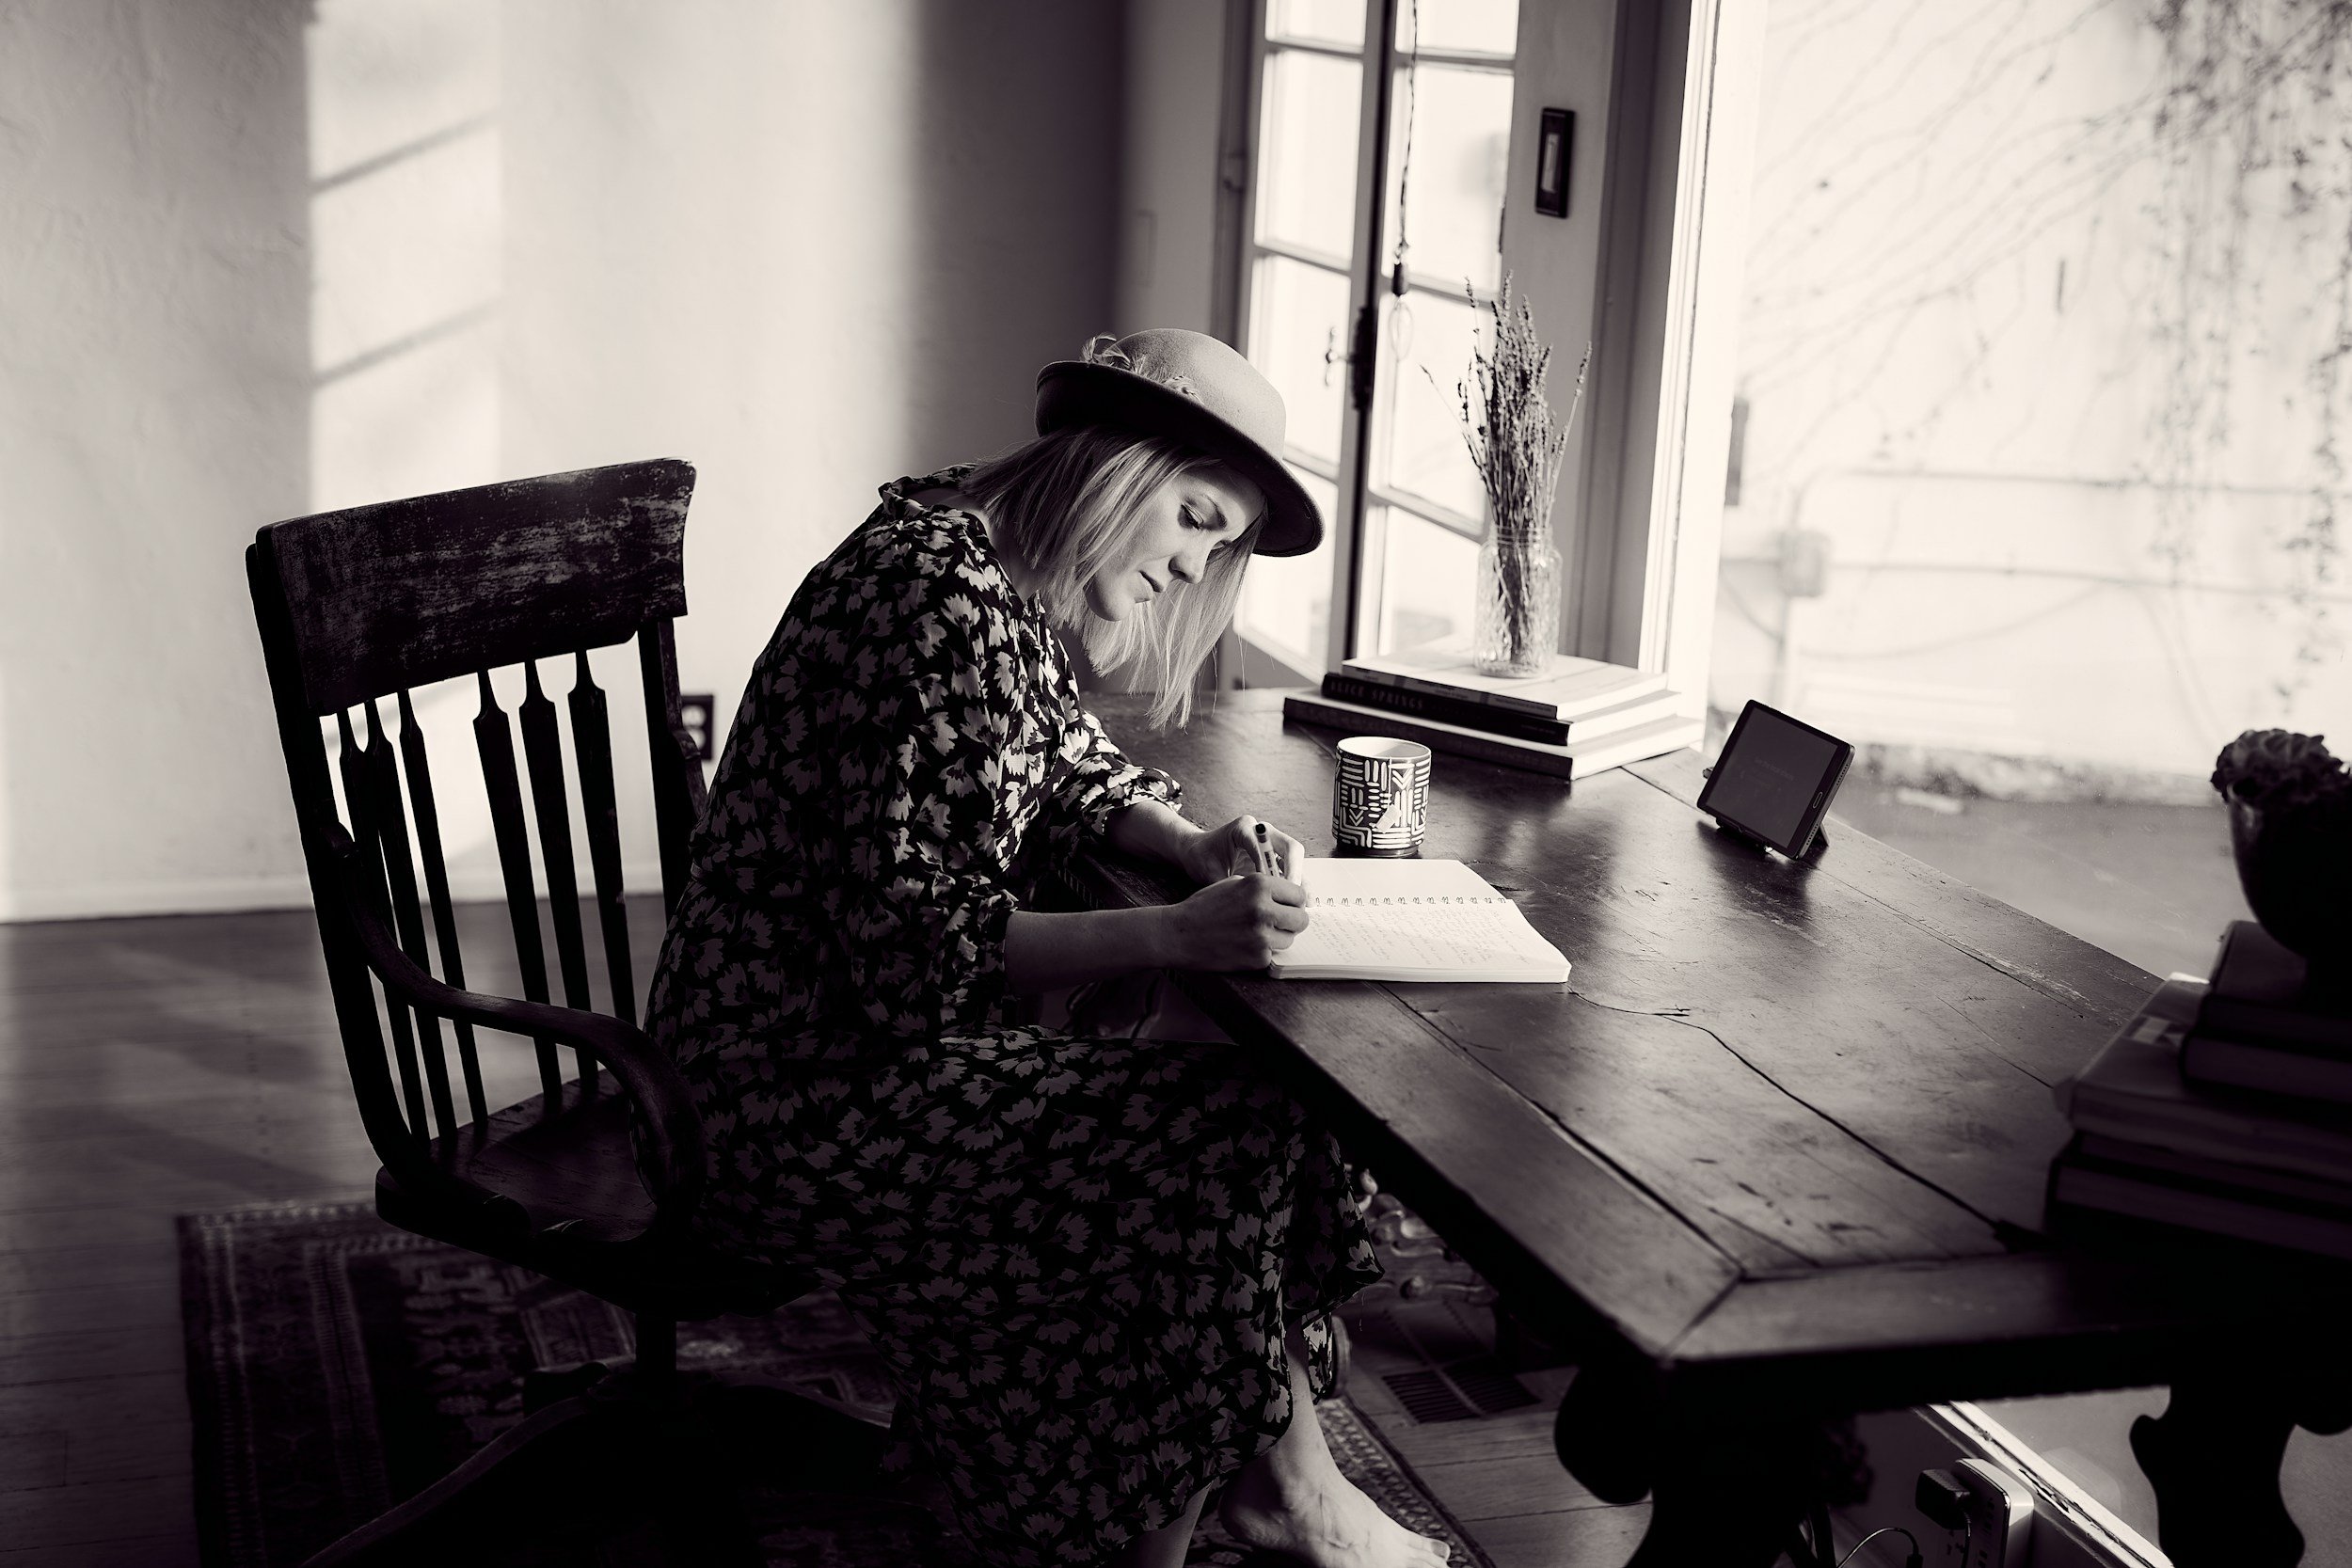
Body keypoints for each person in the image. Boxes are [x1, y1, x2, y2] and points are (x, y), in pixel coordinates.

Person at [642, 328, 1451, 1567]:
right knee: (1206, 1140)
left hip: (824, 1049)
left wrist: (1184, 839)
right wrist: (1176, 933)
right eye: (1193, 519)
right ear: (1120, 464)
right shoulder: (939, 609)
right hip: (789, 1093)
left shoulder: (973, 556)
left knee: (1234, 1109)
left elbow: (1053, 754)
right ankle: (1196, 1513)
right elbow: (919, 956)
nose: (1194, 566)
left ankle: (1273, 1476)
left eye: (1218, 545)